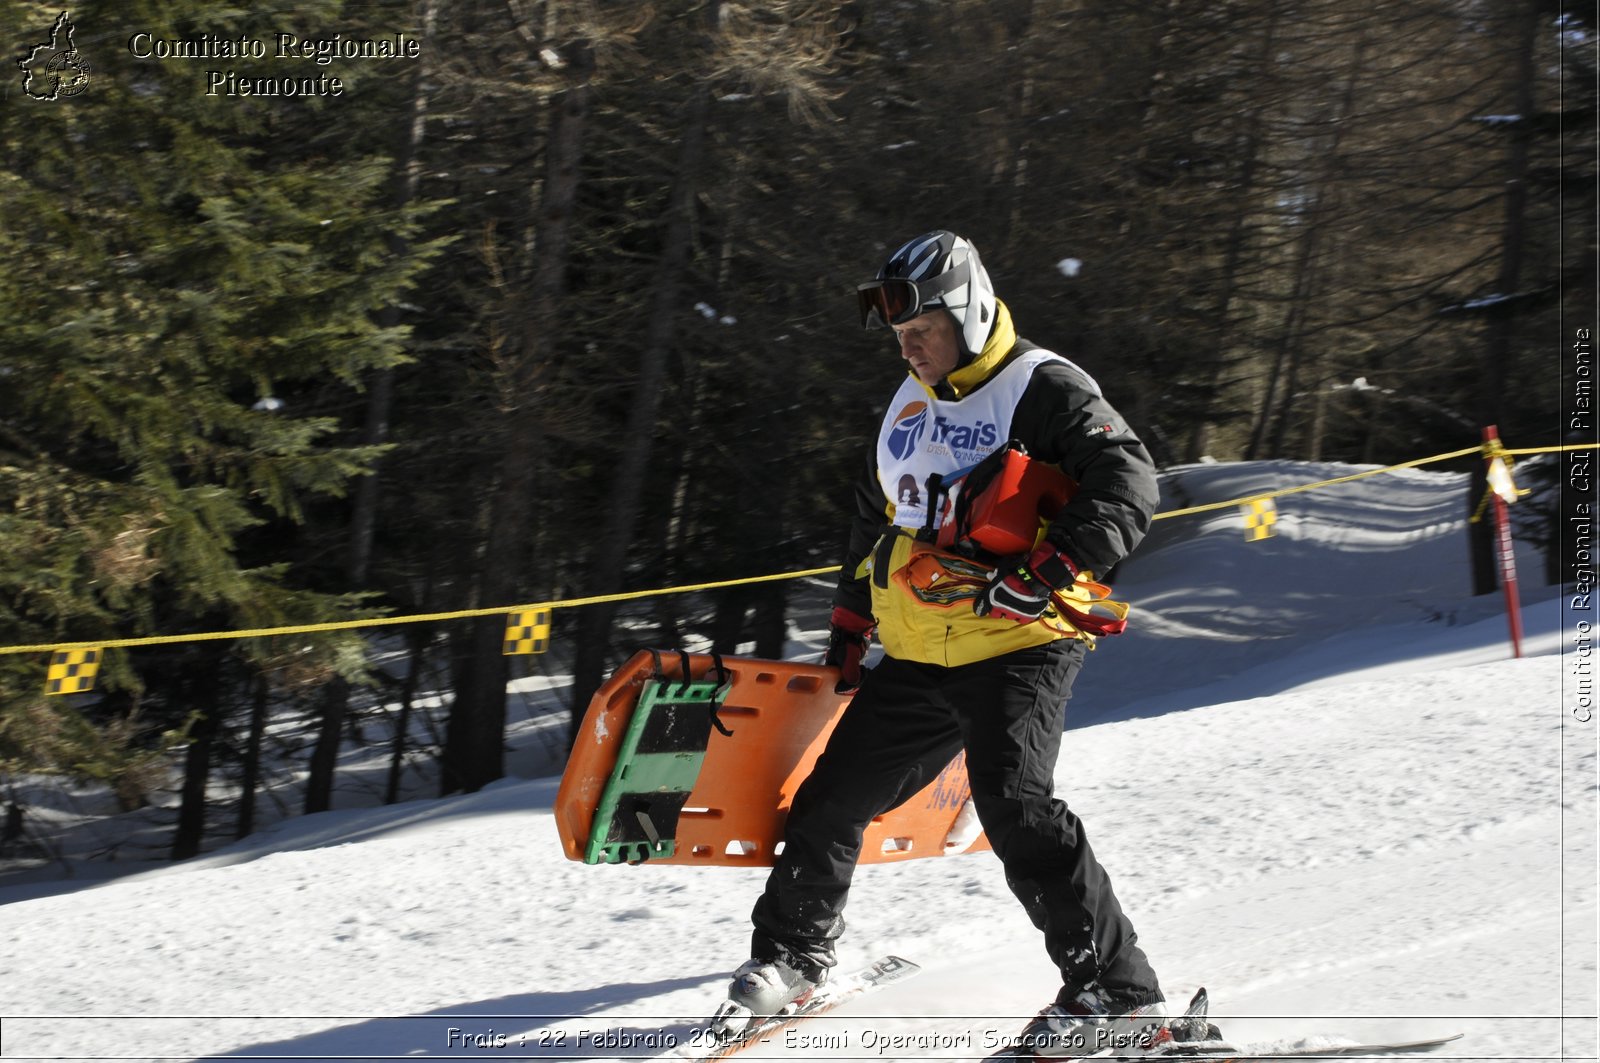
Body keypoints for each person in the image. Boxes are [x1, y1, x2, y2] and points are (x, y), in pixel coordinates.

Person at [712, 231, 1166, 1059]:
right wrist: (851, 619)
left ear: (969, 310)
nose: (910, 348)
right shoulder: (908, 401)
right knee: (832, 797)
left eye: (923, 330)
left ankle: (1119, 994)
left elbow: (1129, 479)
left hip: (1020, 641)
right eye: (898, 338)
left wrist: (1056, 563)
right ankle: (795, 956)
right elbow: (874, 513)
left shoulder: (1042, 385)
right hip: (924, 648)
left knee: (1017, 806)